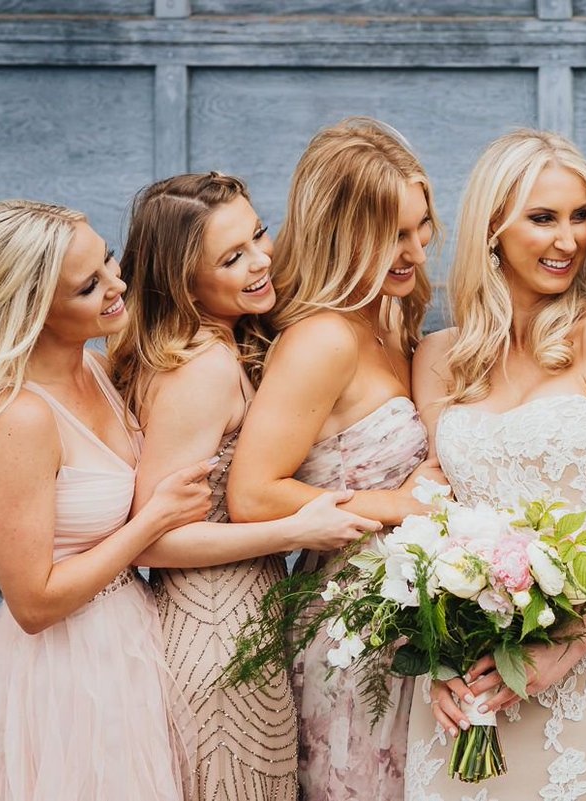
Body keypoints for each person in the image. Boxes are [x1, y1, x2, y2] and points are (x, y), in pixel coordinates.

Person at [405, 129, 586, 800]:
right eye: (544, 218)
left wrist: (568, 645)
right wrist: (434, 656)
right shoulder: (439, 356)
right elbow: (434, 516)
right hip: (469, 678)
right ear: (492, 227)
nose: (571, 238)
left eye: (581, 216)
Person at [108, 171, 375, 800]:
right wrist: (294, 529)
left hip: (244, 619)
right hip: (214, 631)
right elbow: (150, 541)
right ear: (183, 279)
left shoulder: (218, 343)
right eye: (232, 258)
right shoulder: (201, 367)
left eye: (258, 235)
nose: (260, 261)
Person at [0, 200, 212, 799]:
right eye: (90, 286)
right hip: (65, 672)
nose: (117, 285)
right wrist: (154, 522)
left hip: (133, 640)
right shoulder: (20, 416)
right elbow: (33, 604)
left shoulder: (96, 367)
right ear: (36, 310)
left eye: (108, 261)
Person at [226, 118, 439, 801]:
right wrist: (392, 504)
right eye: (391, 236)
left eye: (421, 226)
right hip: (349, 633)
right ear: (343, 232)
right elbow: (252, 494)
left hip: (409, 619)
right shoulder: (323, 338)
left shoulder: (390, 311)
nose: (413, 252)